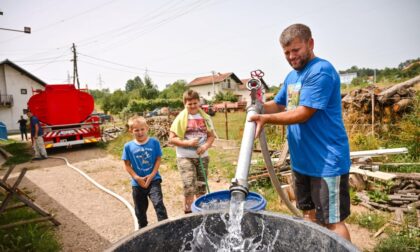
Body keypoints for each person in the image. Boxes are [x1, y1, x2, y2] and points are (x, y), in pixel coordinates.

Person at [249, 24, 351, 241]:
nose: (291, 56)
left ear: (310, 43)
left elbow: (304, 113)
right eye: (286, 53)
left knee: (333, 222)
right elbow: (278, 105)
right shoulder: (291, 77)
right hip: (302, 162)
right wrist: (256, 105)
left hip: (326, 162)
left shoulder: (320, 71)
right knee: (309, 216)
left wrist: (266, 119)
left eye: (296, 50)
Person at [169, 90, 216, 214]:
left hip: (202, 156)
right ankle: (188, 212)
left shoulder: (206, 117)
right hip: (185, 157)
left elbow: (211, 136)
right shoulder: (180, 118)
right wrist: (188, 143)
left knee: (201, 186)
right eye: (189, 104)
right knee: (189, 185)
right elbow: (172, 139)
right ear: (185, 104)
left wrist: (205, 146)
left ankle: (199, 212)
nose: (193, 106)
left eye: (195, 103)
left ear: (199, 102)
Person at [122, 116, 168, 228]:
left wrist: (152, 175)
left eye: (142, 129)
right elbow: (126, 165)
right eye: (136, 130)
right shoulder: (128, 147)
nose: (140, 132)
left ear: (147, 128)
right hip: (137, 183)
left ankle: (165, 228)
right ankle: (143, 229)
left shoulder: (154, 142)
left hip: (154, 180)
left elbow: (158, 159)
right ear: (131, 130)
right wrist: (136, 178)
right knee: (140, 210)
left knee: (159, 204)